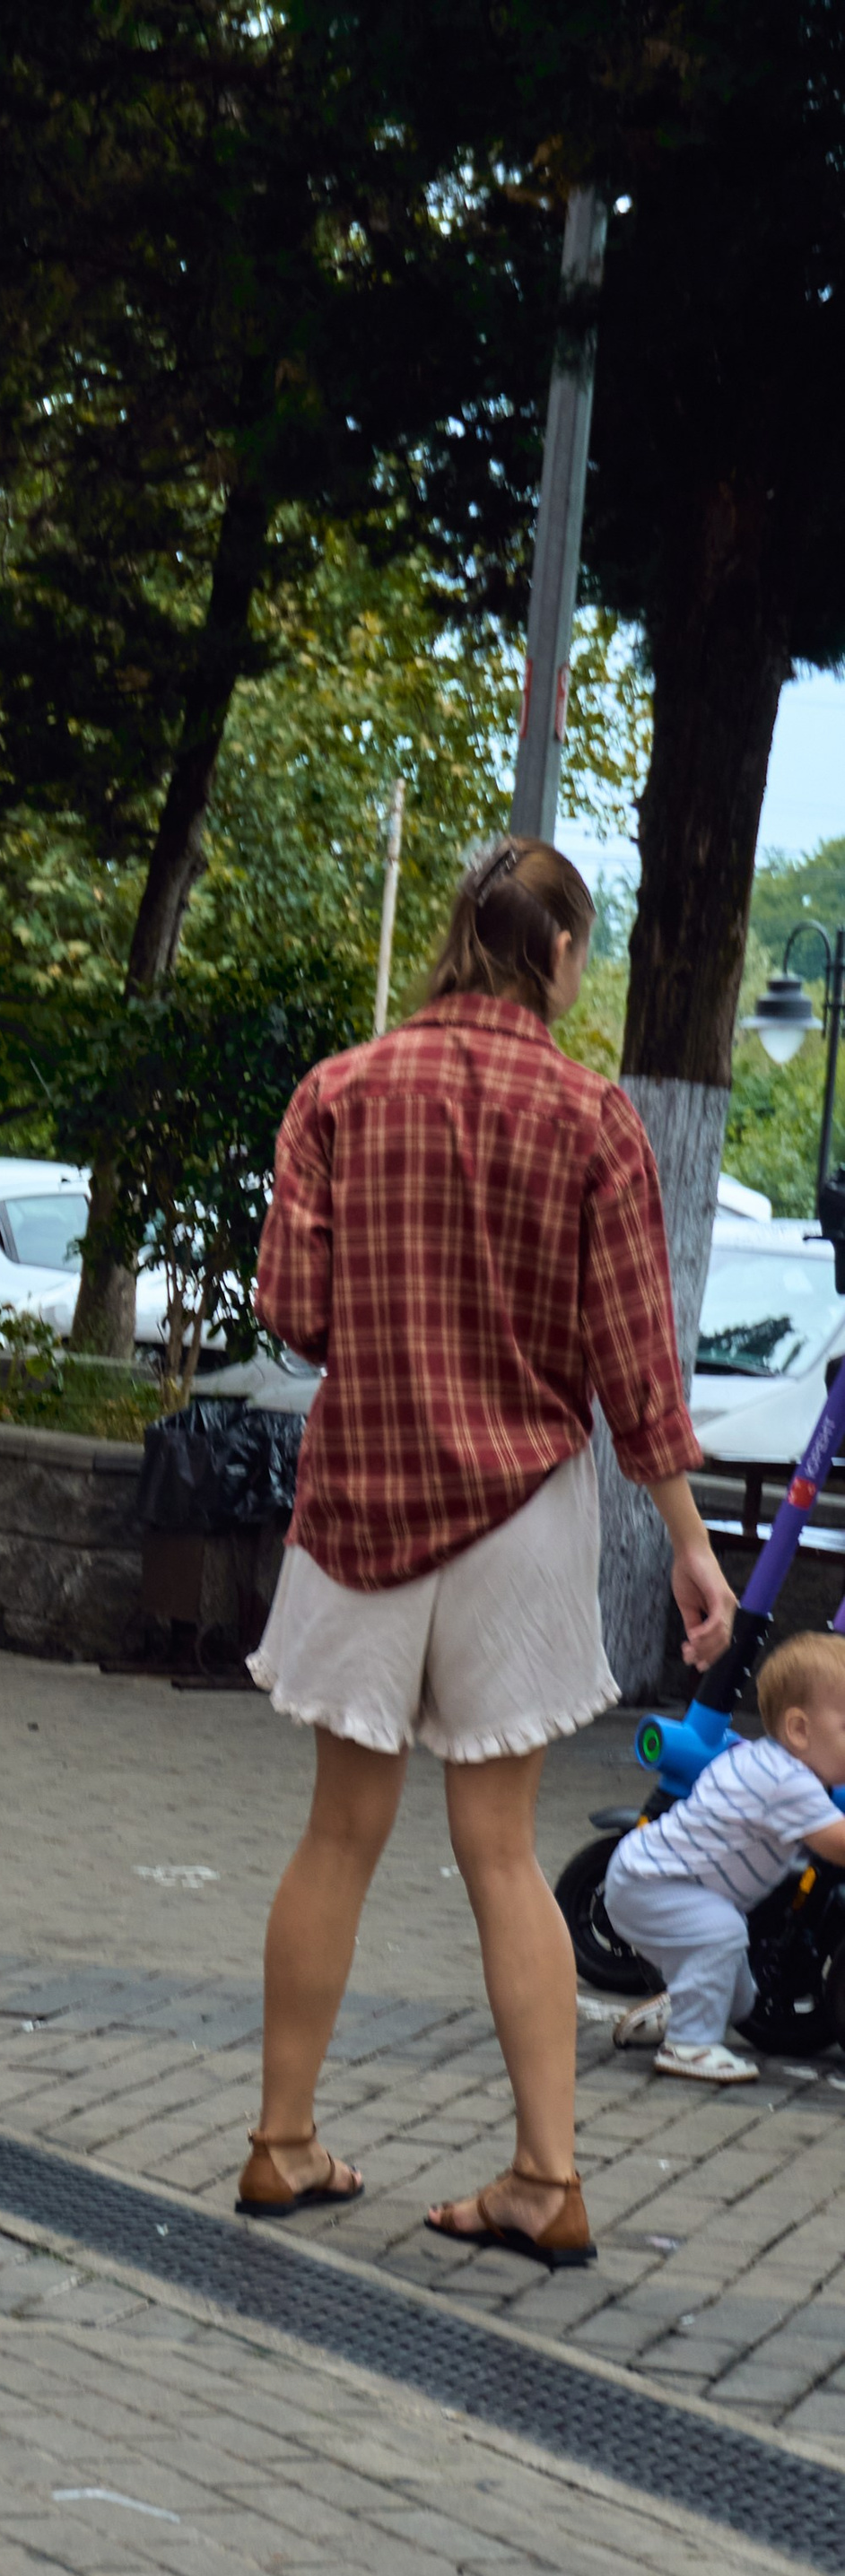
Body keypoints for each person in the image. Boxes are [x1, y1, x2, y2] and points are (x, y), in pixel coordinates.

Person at [237, 835, 736, 2270]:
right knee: (503, 1849)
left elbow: (294, 1303)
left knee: (341, 1829)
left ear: (458, 935)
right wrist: (692, 1553)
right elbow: (636, 1370)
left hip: (362, 1504)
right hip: (523, 1515)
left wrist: (400, 1330)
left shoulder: (340, 1091)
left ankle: (283, 2142)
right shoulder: (594, 1119)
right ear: (562, 955)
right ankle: (545, 2175)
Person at [604, 1632, 845, 2087]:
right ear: (799, 1730)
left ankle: (685, 2002)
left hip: (664, 1882)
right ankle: (689, 2044)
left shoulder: (778, 1762)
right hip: (651, 1885)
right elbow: (837, 1843)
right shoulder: (784, 1781)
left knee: (741, 2001)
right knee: (724, 1932)